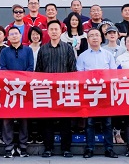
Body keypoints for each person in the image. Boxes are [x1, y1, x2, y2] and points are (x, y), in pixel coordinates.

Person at [35, 20, 77, 158]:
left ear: (61, 31)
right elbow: (38, 71)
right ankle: (48, 148)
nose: (54, 31)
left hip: (64, 90)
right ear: (47, 31)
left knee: (65, 121)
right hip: (47, 91)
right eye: (51, 29)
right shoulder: (43, 49)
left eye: (56, 29)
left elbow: (72, 70)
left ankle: (66, 149)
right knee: (48, 121)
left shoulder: (68, 48)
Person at [76, 28, 118, 159]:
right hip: (89, 94)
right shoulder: (82, 56)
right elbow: (79, 75)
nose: (94, 38)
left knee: (107, 123)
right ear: (88, 39)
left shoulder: (108, 55)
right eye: (91, 36)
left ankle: (109, 149)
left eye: (97, 35)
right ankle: (89, 148)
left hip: (105, 93)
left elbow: (114, 73)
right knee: (90, 123)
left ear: (101, 38)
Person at [0, 27, 34, 158]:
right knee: (7, 118)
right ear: (8, 37)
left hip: (24, 88)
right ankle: (8, 146)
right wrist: (12, 80)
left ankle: (23, 146)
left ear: (20, 35)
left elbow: (31, 67)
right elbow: (3, 68)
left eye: (16, 34)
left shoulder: (28, 50)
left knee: (24, 118)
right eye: (11, 34)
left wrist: (21, 80)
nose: (14, 36)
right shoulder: (4, 51)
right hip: (8, 89)